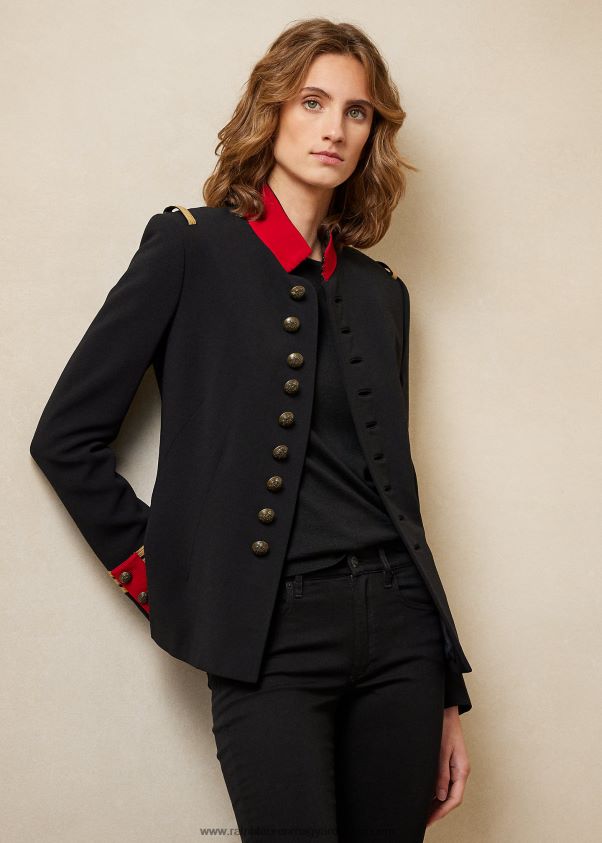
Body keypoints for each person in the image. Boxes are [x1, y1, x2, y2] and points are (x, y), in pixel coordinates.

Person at [30, 17, 473, 843]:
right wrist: (166, 575)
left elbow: (396, 489)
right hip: (271, 635)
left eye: (357, 112)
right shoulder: (189, 247)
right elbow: (65, 438)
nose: (334, 128)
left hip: (402, 634)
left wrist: (449, 688)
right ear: (272, 110)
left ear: (371, 133)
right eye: (313, 101)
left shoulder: (383, 292)